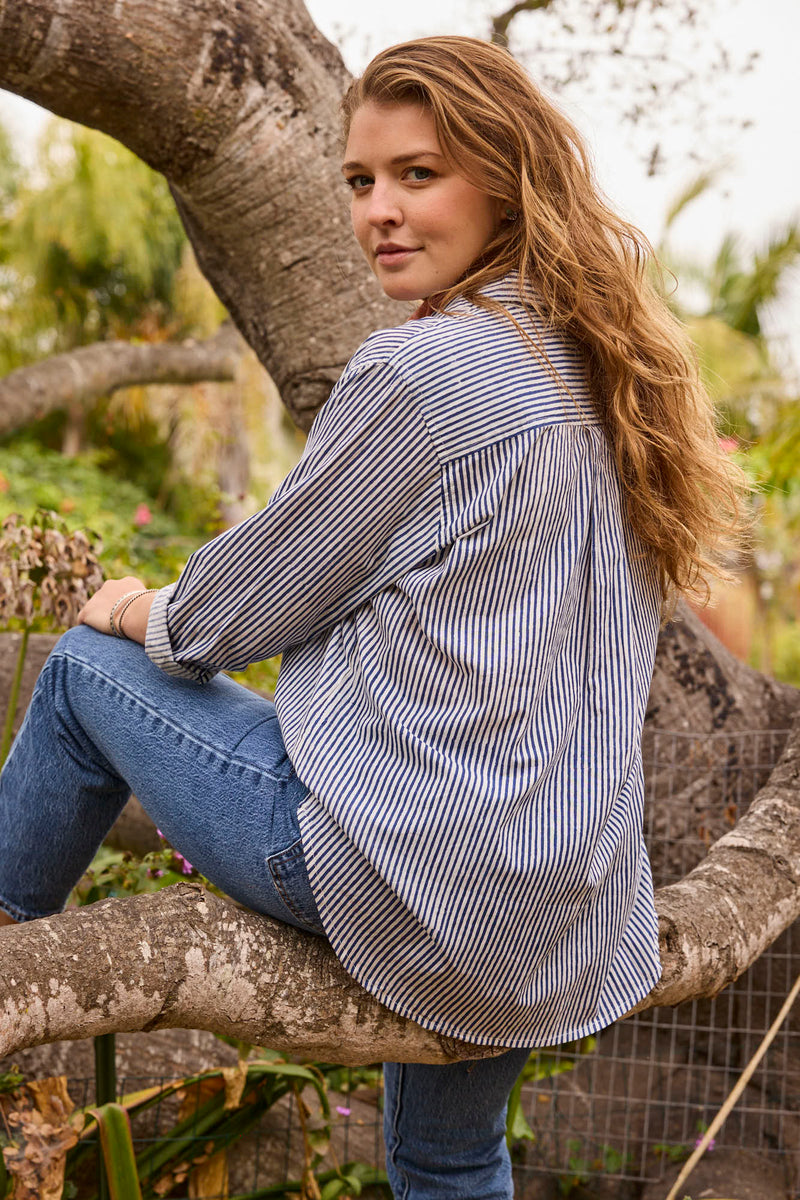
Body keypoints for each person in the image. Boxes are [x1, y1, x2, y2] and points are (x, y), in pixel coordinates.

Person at [0, 35, 746, 1200]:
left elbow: (230, 615)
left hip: (400, 875)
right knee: (449, 1159)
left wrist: (138, 602)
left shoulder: (424, 373)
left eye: (417, 174)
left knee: (84, 673)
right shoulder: (607, 372)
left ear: (501, 178)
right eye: (360, 181)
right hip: (555, 905)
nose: (379, 213)